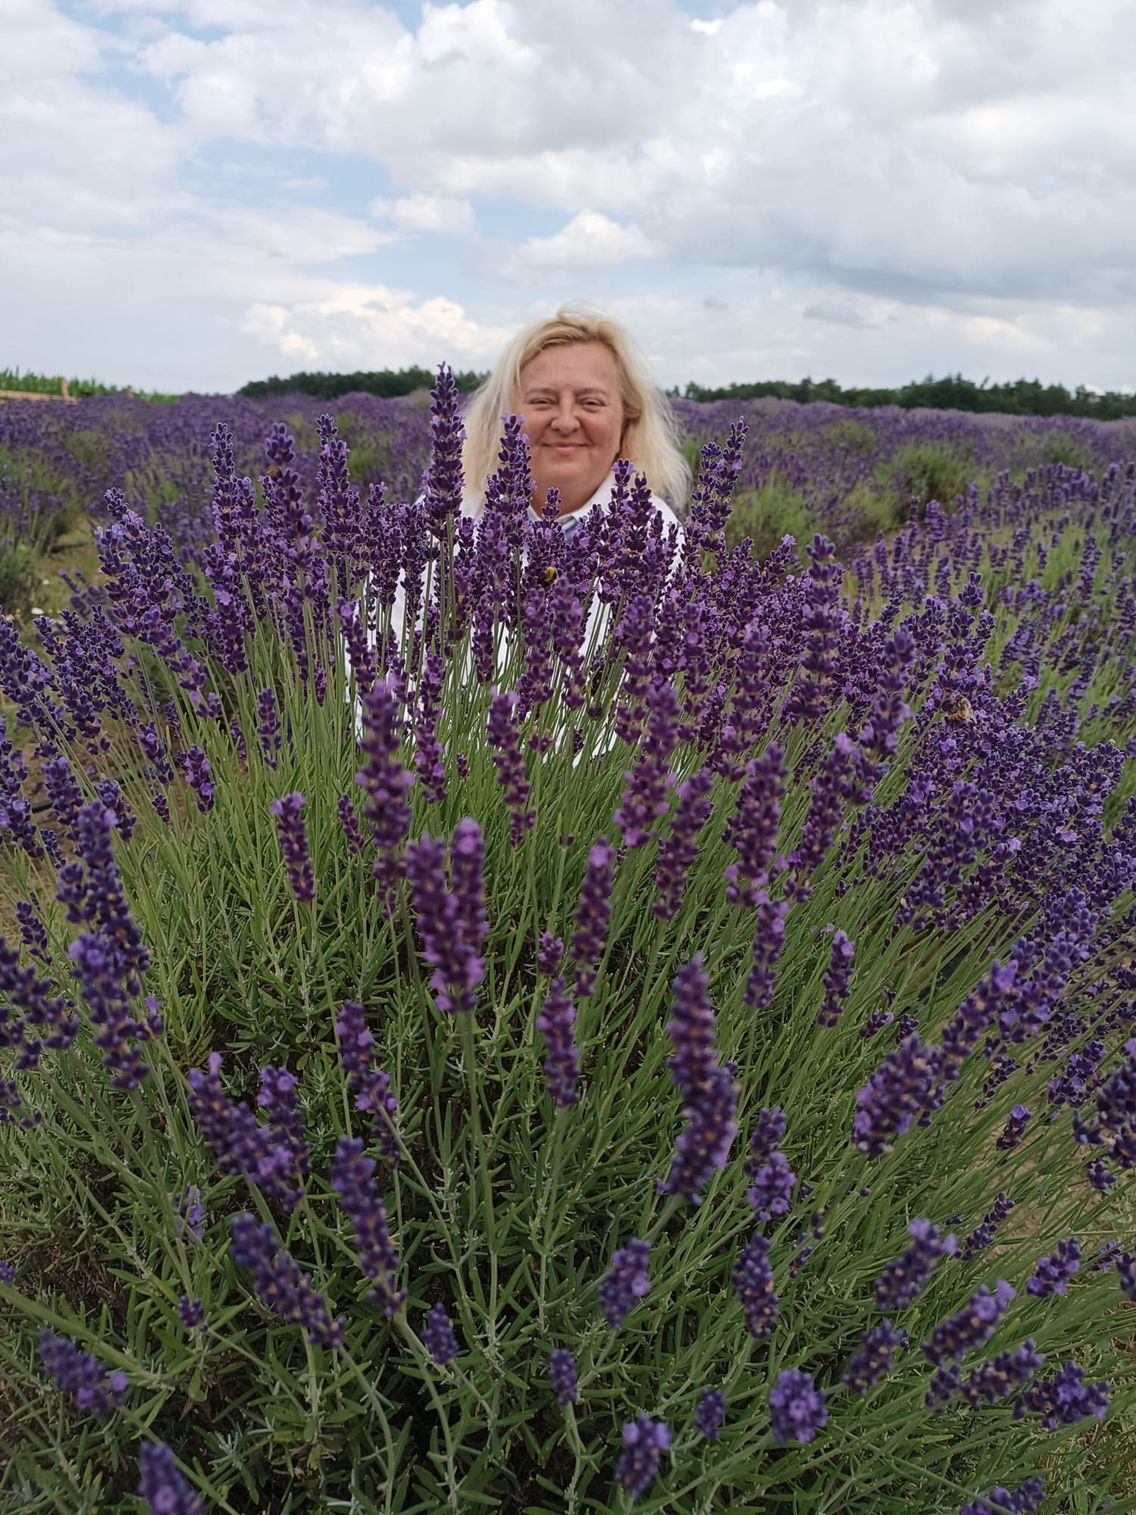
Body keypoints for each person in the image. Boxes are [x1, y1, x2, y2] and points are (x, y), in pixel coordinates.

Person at [459, 305, 690, 534]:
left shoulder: (657, 534)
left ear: (627, 421)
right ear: (501, 415)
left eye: (591, 402)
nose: (566, 423)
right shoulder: (448, 515)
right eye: (542, 401)